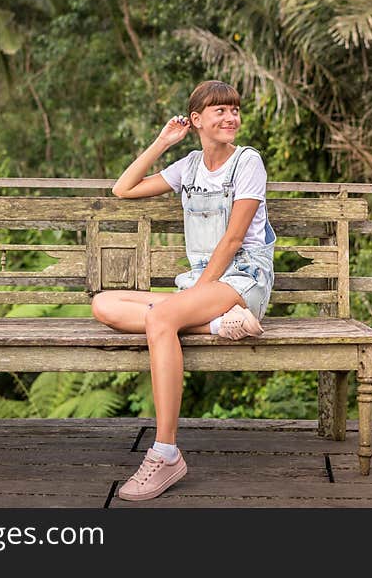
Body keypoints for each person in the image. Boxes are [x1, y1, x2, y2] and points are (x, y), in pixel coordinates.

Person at [91, 80, 276, 501]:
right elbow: (124, 189)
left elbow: (233, 241)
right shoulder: (188, 166)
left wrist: (189, 300)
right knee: (104, 305)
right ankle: (219, 327)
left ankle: (166, 452)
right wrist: (163, 141)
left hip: (243, 279)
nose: (231, 117)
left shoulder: (248, 162)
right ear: (196, 121)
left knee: (161, 317)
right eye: (219, 111)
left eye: (234, 110)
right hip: (202, 288)